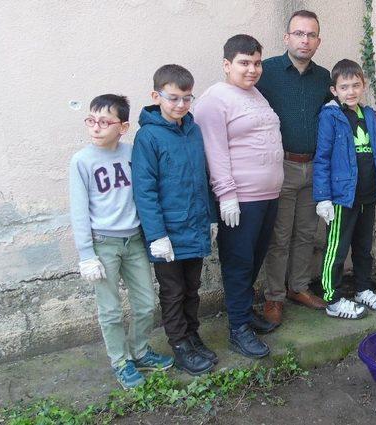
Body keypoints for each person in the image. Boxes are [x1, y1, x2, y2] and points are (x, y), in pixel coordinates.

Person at [69, 94, 173, 389]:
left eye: (105, 121)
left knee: (145, 303)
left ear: (123, 126)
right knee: (110, 309)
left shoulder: (132, 153)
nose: (96, 127)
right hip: (104, 245)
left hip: (135, 240)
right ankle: (121, 360)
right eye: (91, 120)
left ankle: (139, 351)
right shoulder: (81, 161)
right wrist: (86, 254)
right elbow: (79, 211)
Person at [195, 34, 284, 359]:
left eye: (257, 63)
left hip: (267, 196)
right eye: (245, 63)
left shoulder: (255, 94)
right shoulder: (214, 99)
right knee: (238, 263)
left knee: (254, 260)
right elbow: (214, 151)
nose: (252, 69)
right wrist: (227, 195)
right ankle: (238, 330)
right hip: (240, 200)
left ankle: (246, 315)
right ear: (227, 64)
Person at [132, 65, 218, 376]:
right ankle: (180, 345)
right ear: (156, 97)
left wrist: (210, 217)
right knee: (173, 291)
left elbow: (202, 177)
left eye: (186, 98)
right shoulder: (148, 136)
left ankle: (192, 335)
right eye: (173, 98)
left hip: (194, 227)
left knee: (193, 288)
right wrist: (156, 235)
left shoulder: (193, 131)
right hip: (167, 233)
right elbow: (145, 189)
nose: (180, 105)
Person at [256, 10, 333, 325]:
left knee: (306, 233)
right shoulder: (267, 72)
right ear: (287, 37)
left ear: (318, 41)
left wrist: (374, 115)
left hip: (314, 166)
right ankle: (273, 297)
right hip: (281, 165)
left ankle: (298, 287)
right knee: (280, 235)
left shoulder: (324, 77)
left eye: (311, 35)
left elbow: (344, 104)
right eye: (299, 33)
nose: (305, 40)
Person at [313, 59, 376, 319]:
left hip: (367, 194)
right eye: (344, 87)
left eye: (356, 85)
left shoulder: (369, 115)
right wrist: (323, 197)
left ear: (363, 86)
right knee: (337, 248)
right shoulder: (330, 116)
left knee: (363, 245)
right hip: (342, 198)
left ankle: (363, 289)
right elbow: (322, 158)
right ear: (334, 90)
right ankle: (332, 299)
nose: (351, 91)